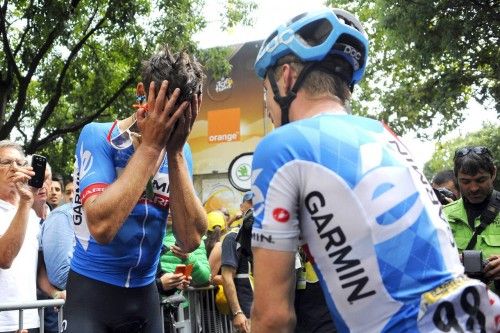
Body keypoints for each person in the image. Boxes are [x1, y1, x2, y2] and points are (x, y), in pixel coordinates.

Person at [249, 8, 500, 332]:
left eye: (266, 94)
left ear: (285, 77)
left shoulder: (282, 146)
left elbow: (272, 318)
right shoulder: (383, 134)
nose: (269, 109)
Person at [63, 45, 207, 333]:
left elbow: (190, 239)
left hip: (145, 298)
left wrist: (175, 152)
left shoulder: (181, 151)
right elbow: (101, 227)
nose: (170, 122)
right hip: (92, 293)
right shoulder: (98, 136)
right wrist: (152, 147)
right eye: (164, 109)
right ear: (142, 92)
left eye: (180, 115)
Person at [0, 140, 63, 333]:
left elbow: (37, 270)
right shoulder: (26, 207)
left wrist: (55, 293)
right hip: (4, 321)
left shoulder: (31, 215)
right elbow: (5, 258)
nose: (14, 168)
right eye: (6, 162)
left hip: (30, 320)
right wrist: (26, 202)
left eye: (20, 164)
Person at [443, 146, 499, 288]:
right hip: (460, 306)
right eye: (466, 181)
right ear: (456, 178)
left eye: (480, 180)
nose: (473, 188)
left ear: (493, 173)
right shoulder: (442, 216)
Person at [221, 191, 254, 333]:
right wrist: (237, 312)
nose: (255, 206)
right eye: (251, 203)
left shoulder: (265, 237)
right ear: (242, 207)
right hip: (247, 311)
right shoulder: (232, 238)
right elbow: (227, 276)